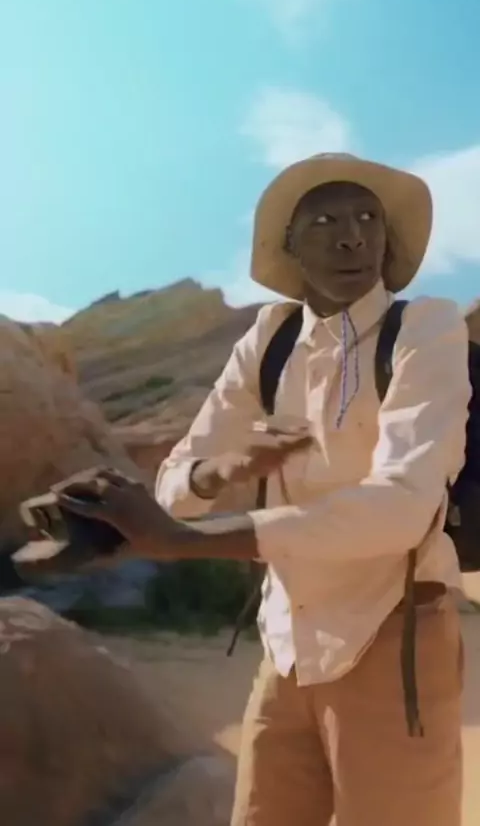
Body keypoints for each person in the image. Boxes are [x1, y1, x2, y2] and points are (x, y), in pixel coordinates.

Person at [60, 153, 471, 826]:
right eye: (325, 222)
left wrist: (187, 541)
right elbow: (178, 481)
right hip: (286, 642)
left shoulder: (424, 328)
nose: (352, 237)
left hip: (392, 634)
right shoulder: (271, 339)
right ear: (289, 247)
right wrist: (220, 471)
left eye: (367, 218)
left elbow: (403, 505)